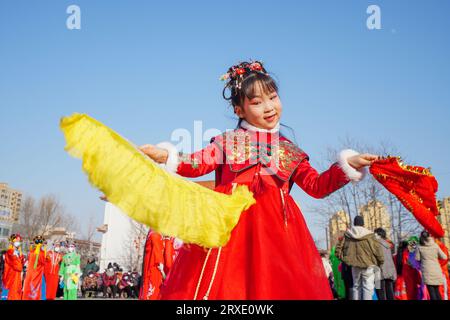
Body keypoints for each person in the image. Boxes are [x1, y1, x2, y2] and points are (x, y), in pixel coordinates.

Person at [138, 60, 379, 299]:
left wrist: (348, 165)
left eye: (273, 97)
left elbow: (317, 186)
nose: (269, 107)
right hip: (230, 234)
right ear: (239, 110)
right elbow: (198, 163)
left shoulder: (288, 150)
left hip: (279, 236)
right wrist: (168, 156)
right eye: (256, 102)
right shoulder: (228, 142)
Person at [335, 216, 384, 300]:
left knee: (356, 286)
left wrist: (345, 259)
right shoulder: (370, 235)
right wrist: (380, 262)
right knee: (368, 287)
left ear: (354, 223)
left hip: (354, 265)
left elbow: (338, 250)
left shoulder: (347, 234)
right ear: (363, 224)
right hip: (368, 264)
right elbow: (377, 250)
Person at [415, 230, 447, 300]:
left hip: (427, 271)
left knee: (431, 292)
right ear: (429, 236)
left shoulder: (419, 247)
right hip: (436, 270)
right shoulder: (435, 245)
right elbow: (444, 257)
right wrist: (435, 256)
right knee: (437, 291)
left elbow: (417, 258)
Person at [139, 231, 165, 300]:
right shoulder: (155, 233)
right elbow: (157, 248)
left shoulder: (153, 232)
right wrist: (160, 262)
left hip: (152, 262)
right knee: (154, 285)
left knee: (150, 285)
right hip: (154, 264)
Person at [374, 228, 397, 300]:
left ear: (378, 235)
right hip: (390, 271)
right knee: (390, 291)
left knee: (380, 292)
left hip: (378, 271)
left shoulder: (375, 244)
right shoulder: (389, 244)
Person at [22, 235, 47, 300]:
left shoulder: (31, 252)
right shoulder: (41, 253)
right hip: (36, 274)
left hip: (32, 273)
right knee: (34, 288)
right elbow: (43, 262)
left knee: (29, 287)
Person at [2, 234, 25, 300]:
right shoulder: (10, 252)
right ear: (12, 242)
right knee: (12, 293)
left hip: (17, 276)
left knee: (17, 291)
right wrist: (20, 265)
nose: (18, 242)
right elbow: (17, 266)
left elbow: (21, 263)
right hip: (12, 275)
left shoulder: (18, 252)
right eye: (17, 240)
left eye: (19, 241)